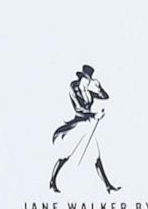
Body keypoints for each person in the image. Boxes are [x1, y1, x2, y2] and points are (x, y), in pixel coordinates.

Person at [48, 64, 119, 194]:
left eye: (90, 80)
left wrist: (99, 87)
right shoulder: (74, 89)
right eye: (86, 80)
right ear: (81, 78)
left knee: (96, 157)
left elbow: (105, 97)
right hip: (78, 125)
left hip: (88, 125)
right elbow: (79, 109)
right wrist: (94, 115)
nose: (88, 82)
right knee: (66, 154)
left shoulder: (89, 91)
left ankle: (108, 185)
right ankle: (52, 181)